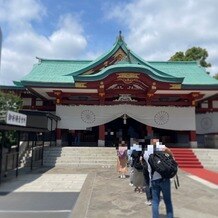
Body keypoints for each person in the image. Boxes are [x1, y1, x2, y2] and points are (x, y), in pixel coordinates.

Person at [144, 138, 174, 218]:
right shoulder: (161, 147)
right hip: (164, 178)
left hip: (154, 179)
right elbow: (170, 152)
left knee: (155, 201)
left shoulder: (146, 152)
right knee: (168, 201)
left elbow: (146, 164)